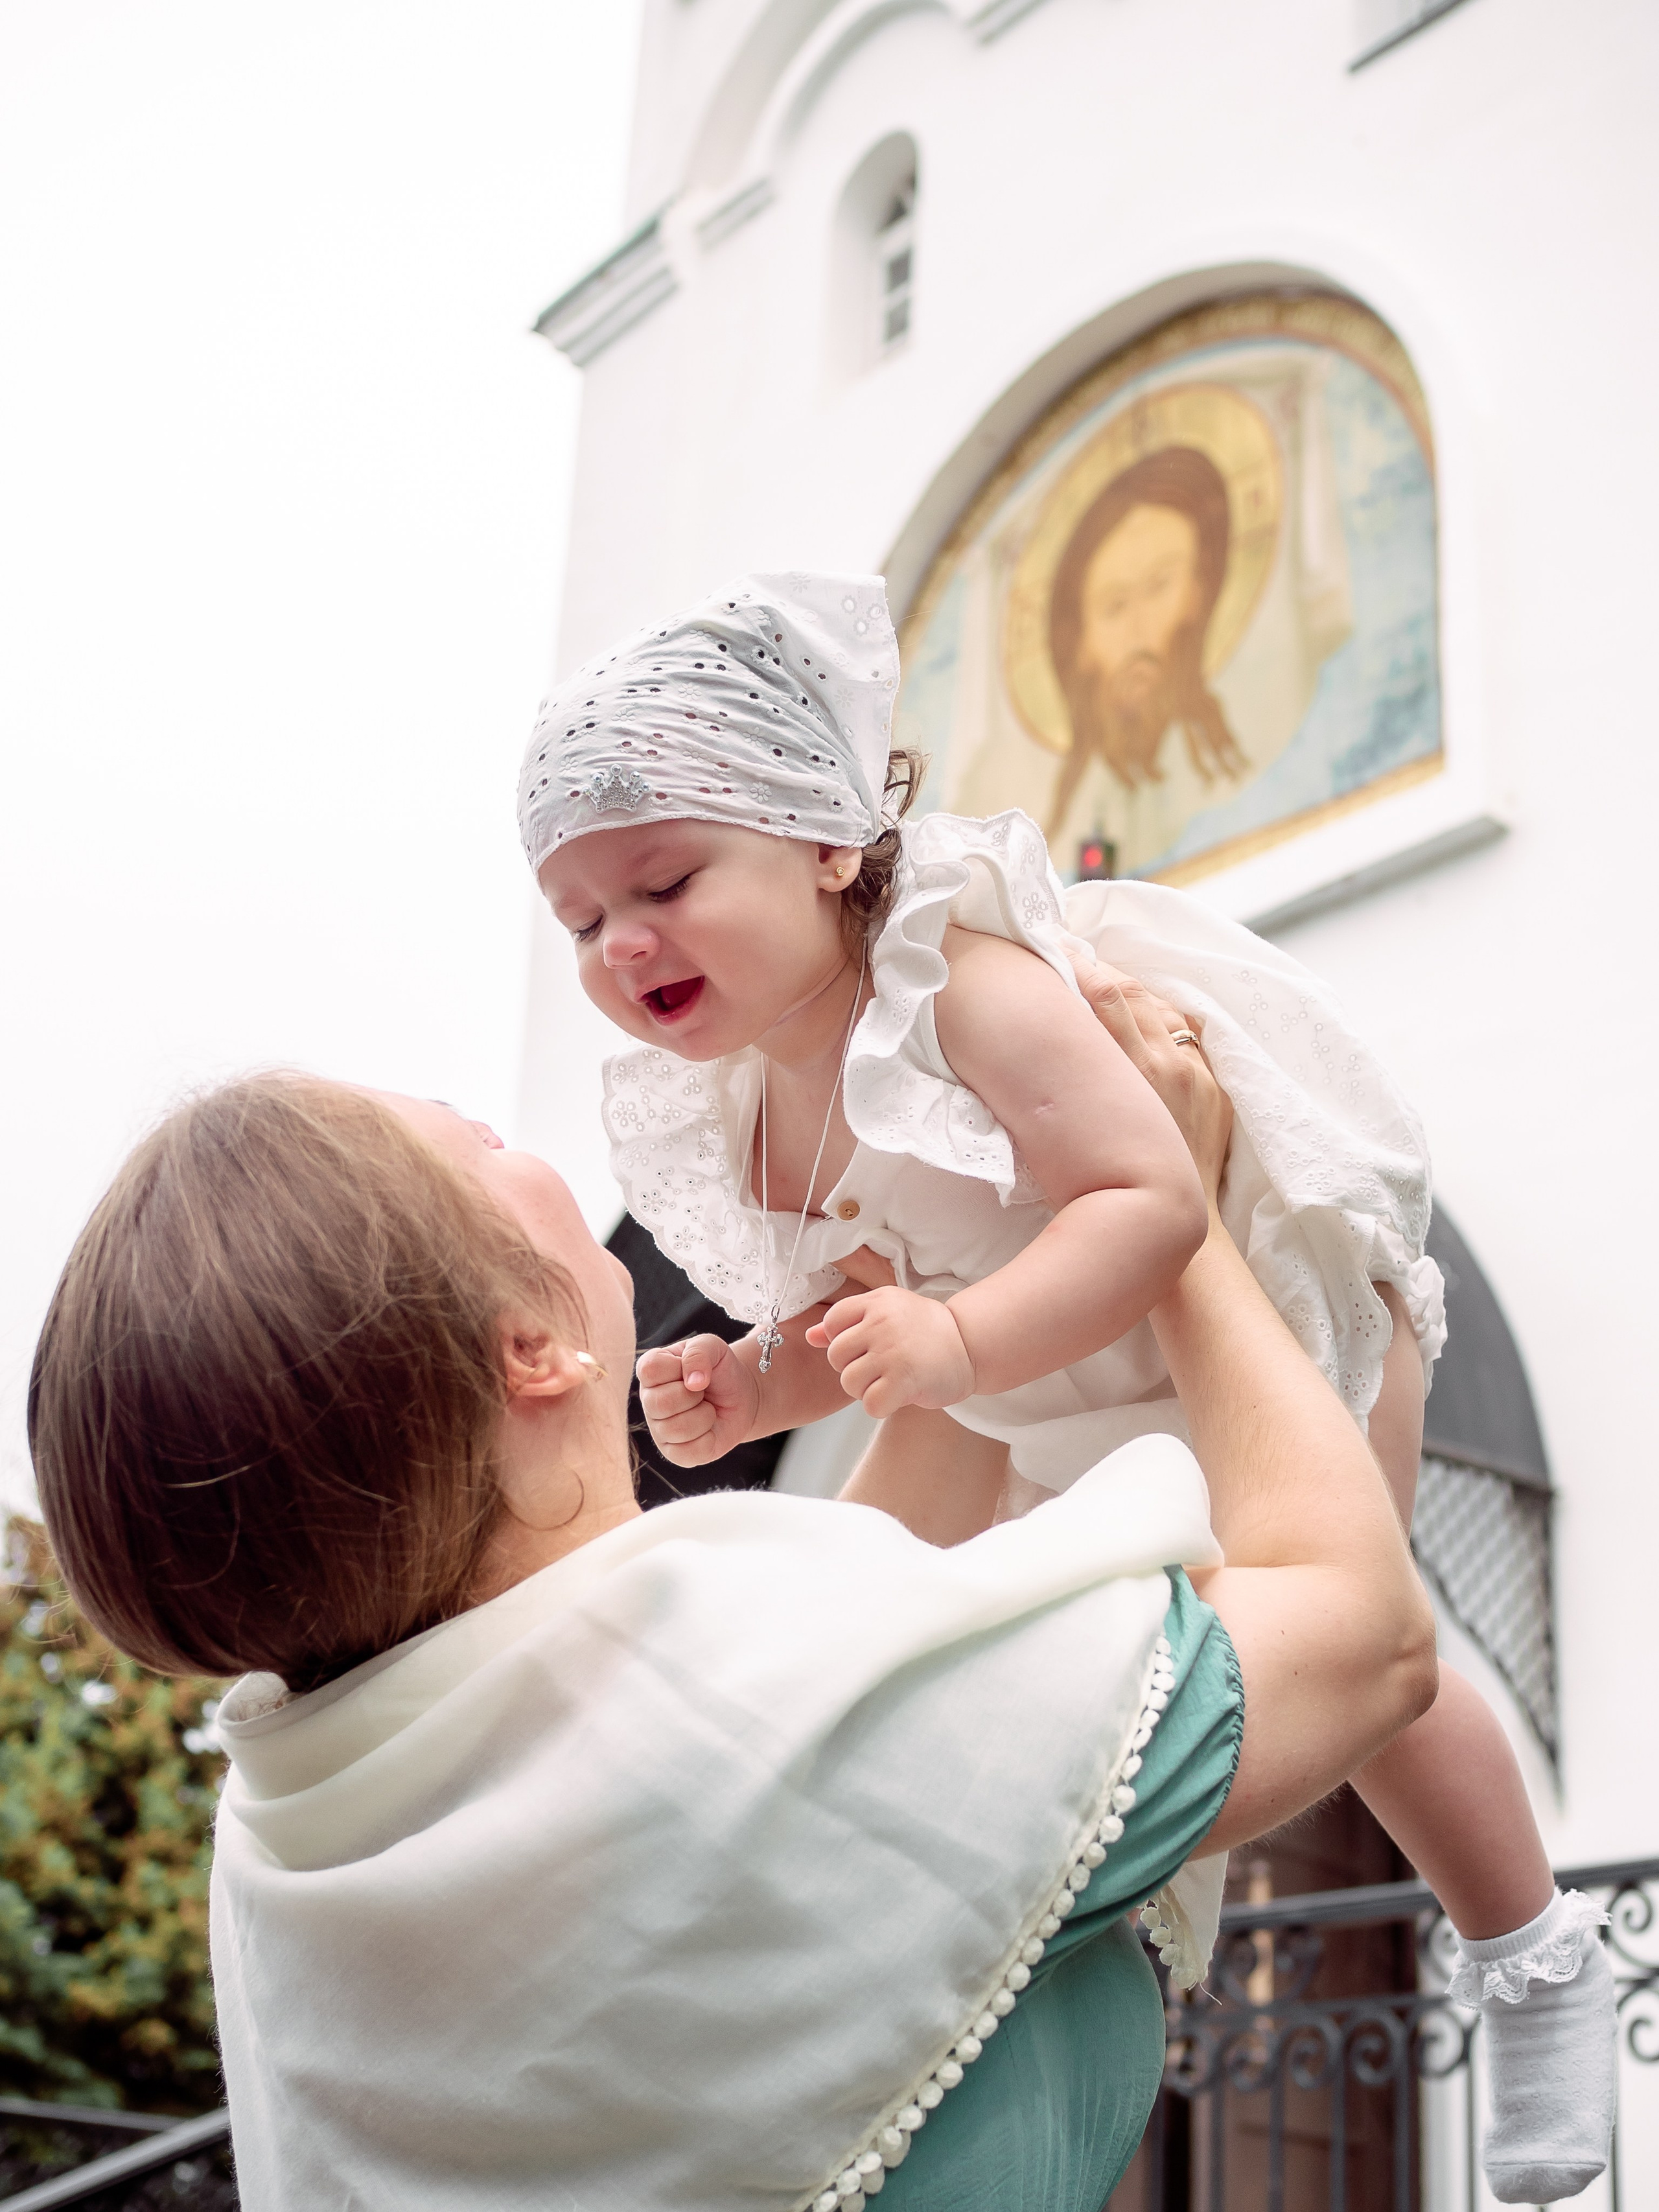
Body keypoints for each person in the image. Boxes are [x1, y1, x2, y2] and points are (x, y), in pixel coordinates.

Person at [520, 569, 1616, 2204]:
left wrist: (955, 1351)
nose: (624, 945)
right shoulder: (740, 1111)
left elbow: (1145, 1193)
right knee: (1105, 1673)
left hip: (1268, 1298)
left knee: (1356, 1648)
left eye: (666, 881)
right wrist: (751, 1393)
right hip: (1066, 1401)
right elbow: (852, 1291)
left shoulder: (956, 981)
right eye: (582, 922)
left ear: (826, 838)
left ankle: (1528, 1952)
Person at [30, 1008, 1437, 2211]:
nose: (534, 1162)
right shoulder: (729, 1704)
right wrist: (1165, 1213)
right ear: (528, 1347)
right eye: (483, 1144)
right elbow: (1357, 1631)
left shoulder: (301, 1827)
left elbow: (826, 1687)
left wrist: (962, 1305)